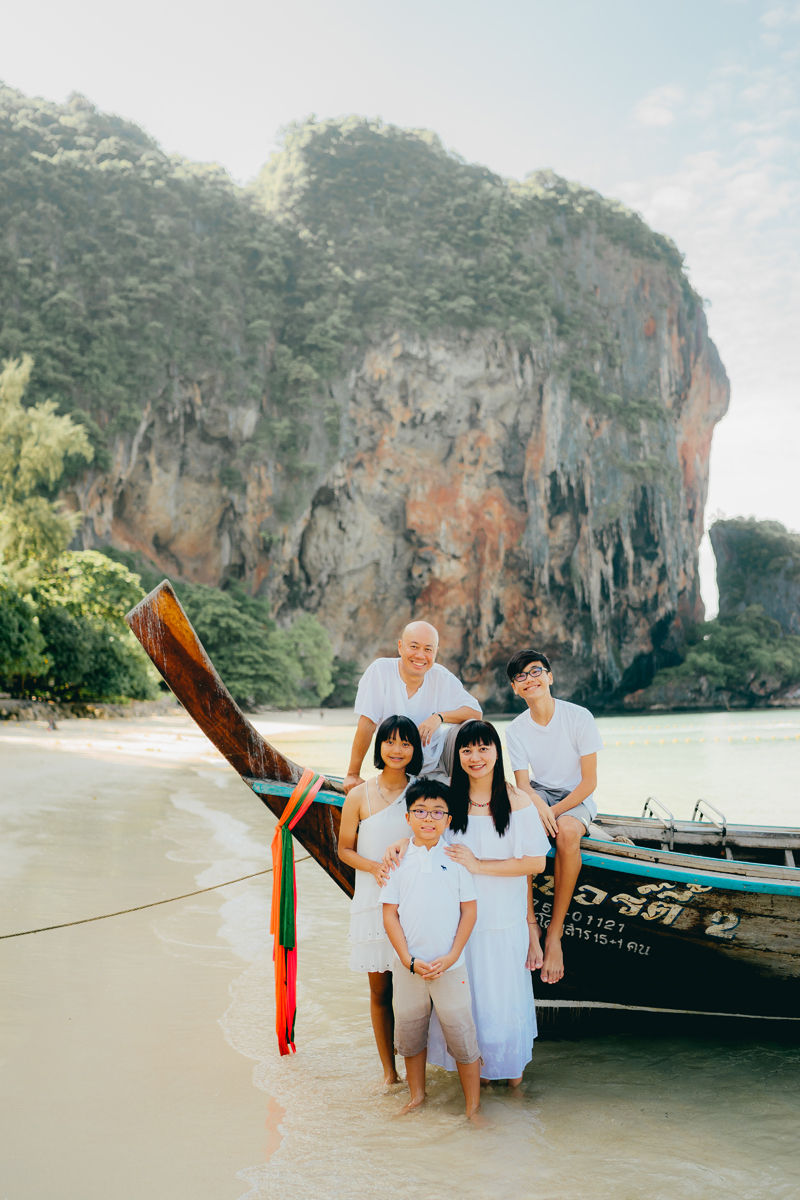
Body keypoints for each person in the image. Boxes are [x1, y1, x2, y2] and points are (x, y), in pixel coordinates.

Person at [385, 721, 549, 1085]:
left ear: (496, 752)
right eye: (466, 750)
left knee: (501, 1006)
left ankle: (511, 1078)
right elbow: (425, 827)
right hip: (456, 924)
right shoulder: (451, 799)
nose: (475, 757)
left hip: (502, 922)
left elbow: (535, 864)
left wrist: (480, 866)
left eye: (483, 748)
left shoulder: (517, 801)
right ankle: (478, 1084)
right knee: (467, 1007)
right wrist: (398, 843)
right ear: (457, 756)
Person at [381, 779, 482, 1120]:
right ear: (408, 817)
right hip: (409, 965)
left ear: (448, 819)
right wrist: (408, 960)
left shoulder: (454, 858)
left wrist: (453, 955)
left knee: (462, 1036)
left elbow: (469, 910)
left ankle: (473, 1108)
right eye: (420, 811)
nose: (429, 818)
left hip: (449, 966)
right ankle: (417, 1096)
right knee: (410, 1033)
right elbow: (389, 914)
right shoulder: (398, 860)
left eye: (438, 812)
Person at [504, 649, 604, 985]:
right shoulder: (516, 730)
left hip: (577, 796)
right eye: (521, 676)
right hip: (538, 792)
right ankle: (531, 924)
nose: (529, 679)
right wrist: (538, 806)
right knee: (518, 825)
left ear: (550, 677)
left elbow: (589, 782)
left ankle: (554, 934)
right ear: (515, 689)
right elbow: (522, 786)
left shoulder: (578, 717)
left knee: (567, 833)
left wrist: (553, 812)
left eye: (536, 671)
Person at [338, 716, 423, 1086]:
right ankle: (390, 1073)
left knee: (419, 990)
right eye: (390, 742)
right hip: (373, 899)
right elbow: (343, 850)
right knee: (380, 990)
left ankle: (422, 1069)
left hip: (416, 901)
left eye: (406, 743)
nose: (397, 750)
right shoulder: (359, 795)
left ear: (415, 750)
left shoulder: (422, 792)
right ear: (380, 747)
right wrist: (374, 868)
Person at [343, 621, 482, 792]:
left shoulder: (441, 676)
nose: (420, 655)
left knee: (473, 728)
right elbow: (367, 723)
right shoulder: (381, 670)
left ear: (435, 653)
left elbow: (476, 713)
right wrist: (352, 774)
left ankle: (480, 791)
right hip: (399, 761)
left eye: (428, 649)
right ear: (400, 647)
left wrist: (438, 717)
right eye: (414, 647)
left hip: (438, 760)